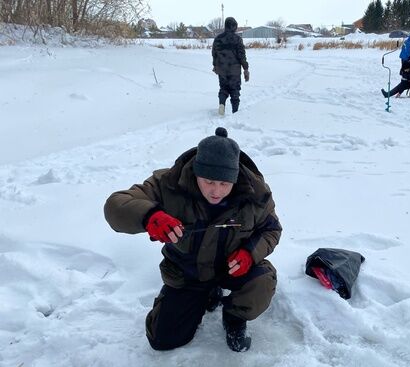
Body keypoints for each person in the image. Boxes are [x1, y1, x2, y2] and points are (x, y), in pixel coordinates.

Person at [103, 127, 281, 352]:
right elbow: (116, 205)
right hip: (189, 274)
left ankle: (235, 317)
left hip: (232, 269)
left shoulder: (255, 194)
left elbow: (271, 229)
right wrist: (150, 216)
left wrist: (249, 253)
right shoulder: (168, 183)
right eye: (208, 181)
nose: (216, 191)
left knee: (261, 283)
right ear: (196, 171)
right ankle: (196, 297)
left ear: (235, 179)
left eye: (224, 184)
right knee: (162, 340)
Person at [212, 17, 249, 115]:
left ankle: (222, 105)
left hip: (222, 69)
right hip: (234, 70)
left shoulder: (218, 38)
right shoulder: (237, 39)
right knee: (235, 90)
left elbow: (214, 53)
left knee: (223, 88)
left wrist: (215, 65)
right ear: (233, 26)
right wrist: (246, 68)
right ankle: (235, 112)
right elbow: (242, 55)